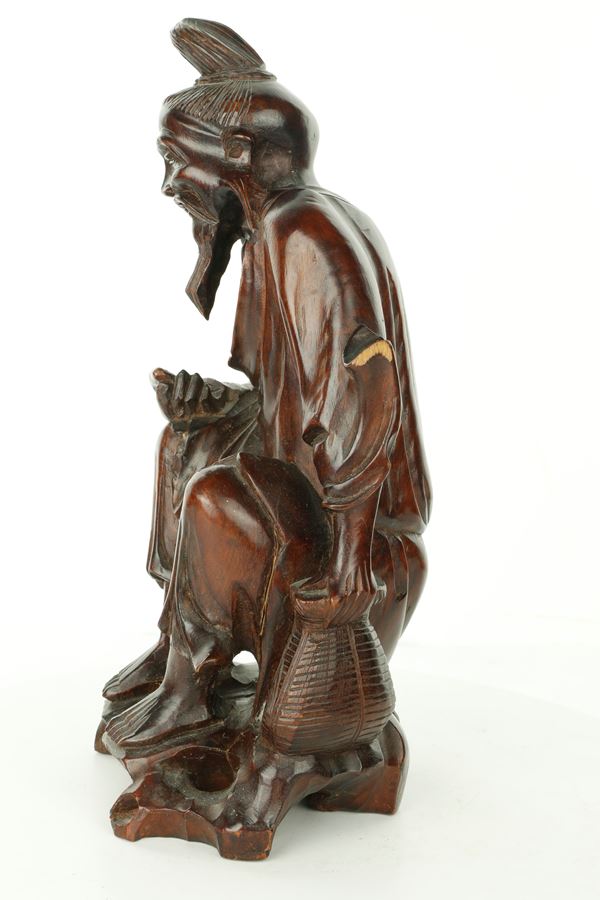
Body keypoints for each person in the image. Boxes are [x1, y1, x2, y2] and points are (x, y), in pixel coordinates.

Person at [102, 19, 431, 758]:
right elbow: (299, 404)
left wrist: (348, 563)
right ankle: (181, 648)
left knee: (212, 497)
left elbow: (367, 385)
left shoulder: (301, 231)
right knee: (186, 442)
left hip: (362, 542)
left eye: (176, 161)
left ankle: (192, 689)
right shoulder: (277, 228)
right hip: (322, 501)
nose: (169, 184)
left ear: (236, 155)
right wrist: (220, 407)